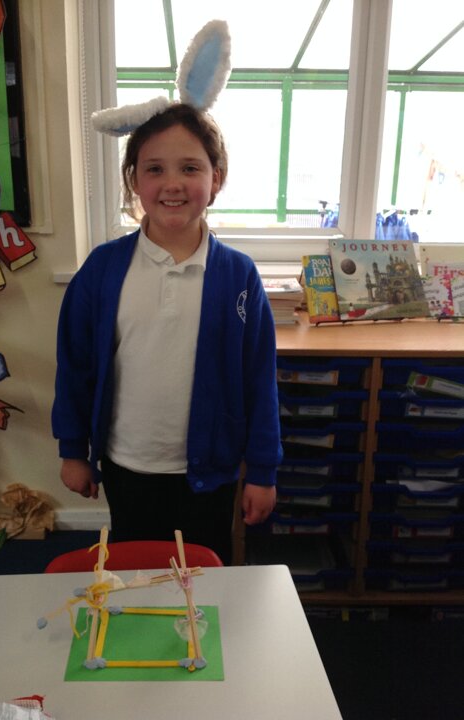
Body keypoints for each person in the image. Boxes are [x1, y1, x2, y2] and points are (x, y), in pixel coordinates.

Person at [52, 22, 282, 564]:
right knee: (137, 575)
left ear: (216, 179)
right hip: (128, 465)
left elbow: (259, 379)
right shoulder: (103, 270)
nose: (172, 183)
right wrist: (73, 451)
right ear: (134, 180)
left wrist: (263, 470)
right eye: (155, 169)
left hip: (210, 472)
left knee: (202, 575)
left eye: (190, 168)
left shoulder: (239, 277)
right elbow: (75, 365)